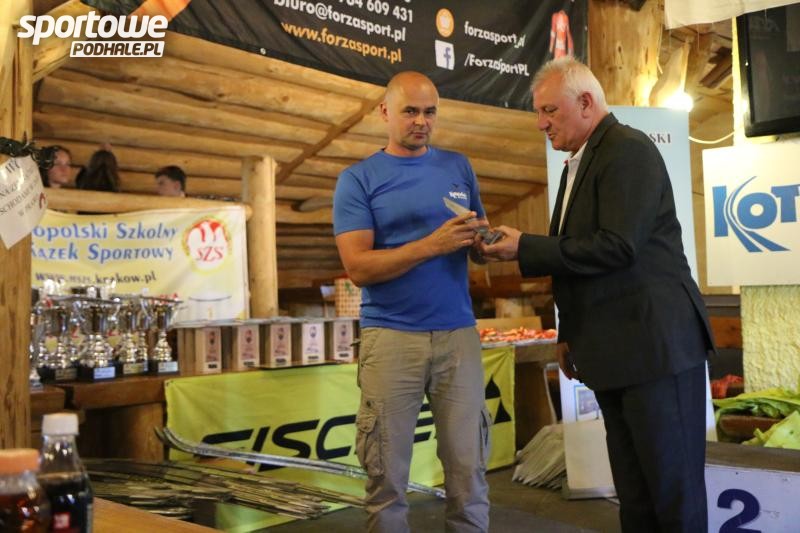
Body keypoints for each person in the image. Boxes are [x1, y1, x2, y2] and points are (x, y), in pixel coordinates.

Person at [480, 57, 714, 533]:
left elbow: (618, 245)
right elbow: (580, 261)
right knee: (635, 495)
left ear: (586, 102)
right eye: (538, 113)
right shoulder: (579, 163)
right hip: (615, 352)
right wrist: (568, 333)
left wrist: (524, 247)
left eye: (549, 110)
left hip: (656, 351)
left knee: (673, 496)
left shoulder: (628, 150)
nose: (541, 123)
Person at [333, 71, 491, 533]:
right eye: (410, 111)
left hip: (458, 334)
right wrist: (431, 245)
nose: (422, 121)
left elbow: (476, 240)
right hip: (391, 337)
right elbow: (358, 268)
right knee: (386, 477)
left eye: (430, 112)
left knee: (469, 470)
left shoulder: (458, 167)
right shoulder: (358, 180)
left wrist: (486, 243)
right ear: (385, 112)